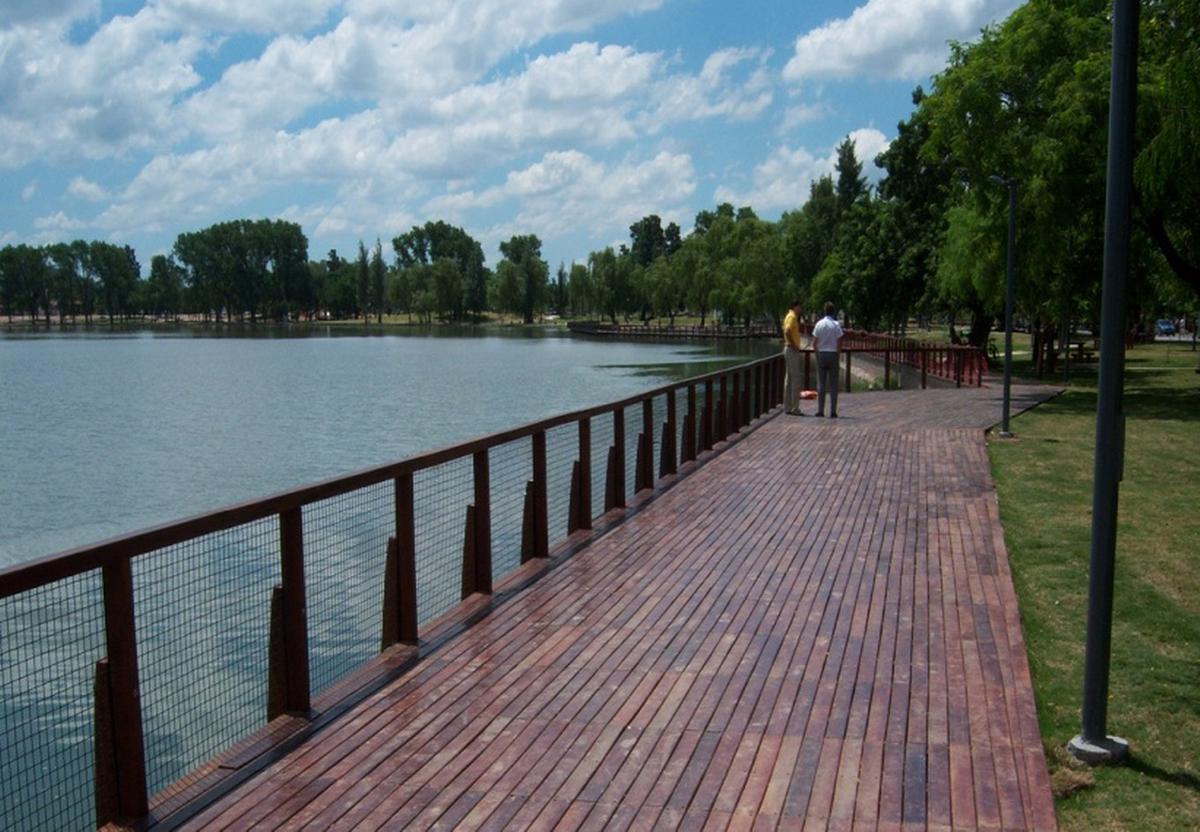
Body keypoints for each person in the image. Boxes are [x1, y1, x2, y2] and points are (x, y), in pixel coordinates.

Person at [812, 301, 844, 417]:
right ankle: (833, 411)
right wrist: (838, 354)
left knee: (821, 383)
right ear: (833, 312)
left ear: (824, 311)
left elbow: (814, 343)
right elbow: (840, 340)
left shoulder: (819, 324)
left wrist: (817, 354)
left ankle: (820, 410)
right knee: (833, 384)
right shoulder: (836, 325)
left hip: (822, 354)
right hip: (833, 354)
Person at [782, 298, 805, 416]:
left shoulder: (789, 316)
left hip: (788, 349)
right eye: (799, 307)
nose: (801, 309)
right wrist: (794, 345)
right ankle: (795, 408)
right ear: (795, 306)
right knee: (795, 379)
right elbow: (787, 331)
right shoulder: (792, 317)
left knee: (789, 379)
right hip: (791, 350)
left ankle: (787, 407)